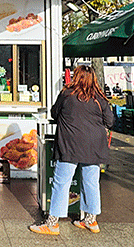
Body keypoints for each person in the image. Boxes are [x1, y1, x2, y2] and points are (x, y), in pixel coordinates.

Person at [30, 65, 114, 236]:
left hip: (70, 144)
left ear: (76, 77)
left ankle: (52, 224)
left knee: (62, 183)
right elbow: (110, 121)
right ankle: (91, 220)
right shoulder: (99, 97)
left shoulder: (67, 94)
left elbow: (54, 113)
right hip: (94, 146)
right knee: (91, 182)